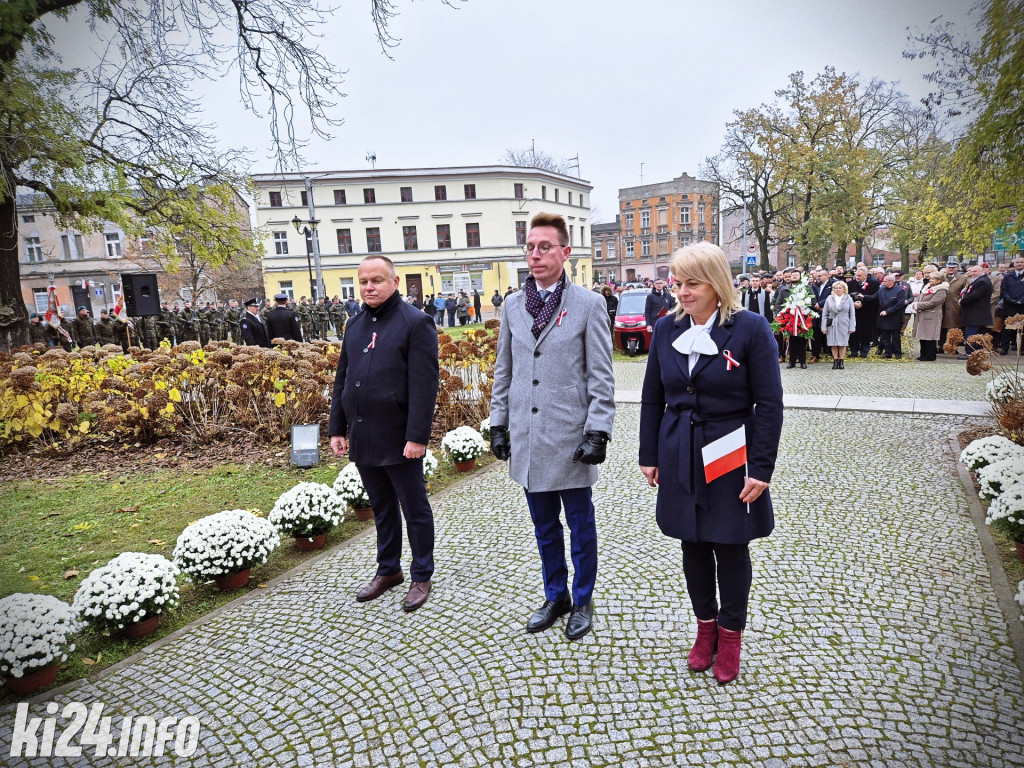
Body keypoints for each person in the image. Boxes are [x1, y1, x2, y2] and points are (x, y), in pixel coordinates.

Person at [638, 242, 783, 685]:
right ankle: (704, 629)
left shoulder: (752, 329)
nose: (681, 292)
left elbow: (770, 403)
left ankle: (731, 634)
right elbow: (652, 396)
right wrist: (649, 455)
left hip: (729, 451)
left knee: (730, 545)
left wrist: (760, 468)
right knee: (693, 543)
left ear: (717, 284)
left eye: (692, 283)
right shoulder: (665, 330)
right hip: (679, 448)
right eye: (677, 283)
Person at [489, 213, 615, 641]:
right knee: (544, 528)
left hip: (571, 438)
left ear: (565, 253)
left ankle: (583, 599)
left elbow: (601, 375)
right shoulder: (511, 306)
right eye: (530, 247)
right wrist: (498, 423)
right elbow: (503, 371)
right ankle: (555, 594)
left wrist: (598, 431)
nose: (536, 254)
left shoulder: (589, 304)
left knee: (580, 527)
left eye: (545, 247)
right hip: (528, 437)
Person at [329, 256, 439, 612]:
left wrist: (418, 436)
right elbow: (342, 379)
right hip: (364, 433)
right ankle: (388, 569)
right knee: (381, 507)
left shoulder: (415, 322)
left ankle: (421, 574)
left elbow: (424, 386)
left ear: (394, 282)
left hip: (400, 436)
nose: (369, 287)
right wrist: (336, 427)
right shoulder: (355, 324)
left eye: (377, 280)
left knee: (415, 509)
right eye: (363, 282)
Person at [911, 271, 948, 361]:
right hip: (922, 314)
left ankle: (930, 356)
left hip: (932, 315)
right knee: (922, 336)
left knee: (930, 337)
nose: (930, 280)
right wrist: (916, 302)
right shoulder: (928, 287)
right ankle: (923, 354)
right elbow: (921, 297)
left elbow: (933, 302)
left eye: (932, 279)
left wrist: (918, 305)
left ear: (939, 280)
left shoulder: (941, 290)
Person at [821, 280, 856, 368]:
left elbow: (852, 314)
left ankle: (841, 361)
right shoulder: (829, 298)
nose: (838, 289)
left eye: (840, 288)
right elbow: (824, 314)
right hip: (831, 322)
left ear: (844, 289)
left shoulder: (849, 298)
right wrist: (823, 327)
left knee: (842, 343)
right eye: (836, 288)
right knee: (833, 343)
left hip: (844, 322)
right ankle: (835, 361)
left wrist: (852, 327)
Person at [875, 273, 906, 359]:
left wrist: (888, 311)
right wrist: (864, 297)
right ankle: (887, 352)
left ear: (891, 281)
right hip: (883, 317)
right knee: (885, 336)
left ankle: (897, 352)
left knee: (896, 336)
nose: (883, 282)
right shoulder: (881, 289)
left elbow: (899, 304)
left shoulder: (900, 290)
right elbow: (875, 297)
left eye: (885, 281)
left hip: (895, 317)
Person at [997, 255, 1024, 354]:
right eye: (1017, 262)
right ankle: (1005, 348)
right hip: (1009, 306)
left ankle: (1022, 349)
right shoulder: (1008, 276)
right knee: (1007, 328)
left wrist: (1021, 300)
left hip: (1022, 306)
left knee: (1022, 328)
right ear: (1014, 264)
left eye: (1021, 262)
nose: (1019, 264)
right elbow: (1003, 290)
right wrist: (1010, 299)